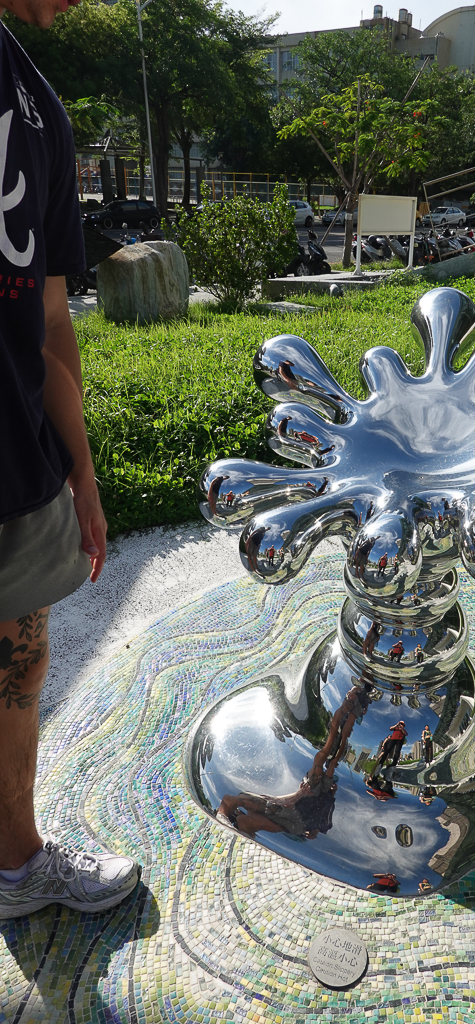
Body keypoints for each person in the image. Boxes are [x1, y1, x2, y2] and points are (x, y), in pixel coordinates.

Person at [0, 0, 139, 919]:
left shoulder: (39, 105)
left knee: (18, 661)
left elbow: (51, 319)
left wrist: (82, 479)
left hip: (16, 458)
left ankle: (16, 866)